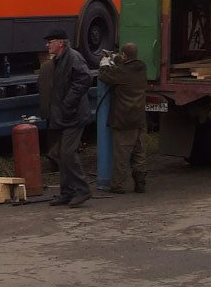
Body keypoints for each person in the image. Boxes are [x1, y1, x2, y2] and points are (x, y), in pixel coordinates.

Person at [42, 29, 94, 208]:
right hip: (63, 115)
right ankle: (67, 192)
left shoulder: (74, 58)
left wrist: (68, 103)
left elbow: (85, 79)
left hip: (74, 115)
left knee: (67, 153)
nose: (47, 45)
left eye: (50, 41)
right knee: (60, 154)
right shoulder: (58, 60)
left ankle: (83, 189)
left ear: (61, 43)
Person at [98, 42, 149, 194]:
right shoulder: (142, 68)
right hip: (139, 117)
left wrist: (105, 63)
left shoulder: (121, 73)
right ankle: (140, 184)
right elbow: (125, 66)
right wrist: (116, 58)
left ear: (125, 55)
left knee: (122, 154)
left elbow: (104, 76)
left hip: (123, 118)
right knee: (139, 153)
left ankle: (118, 186)